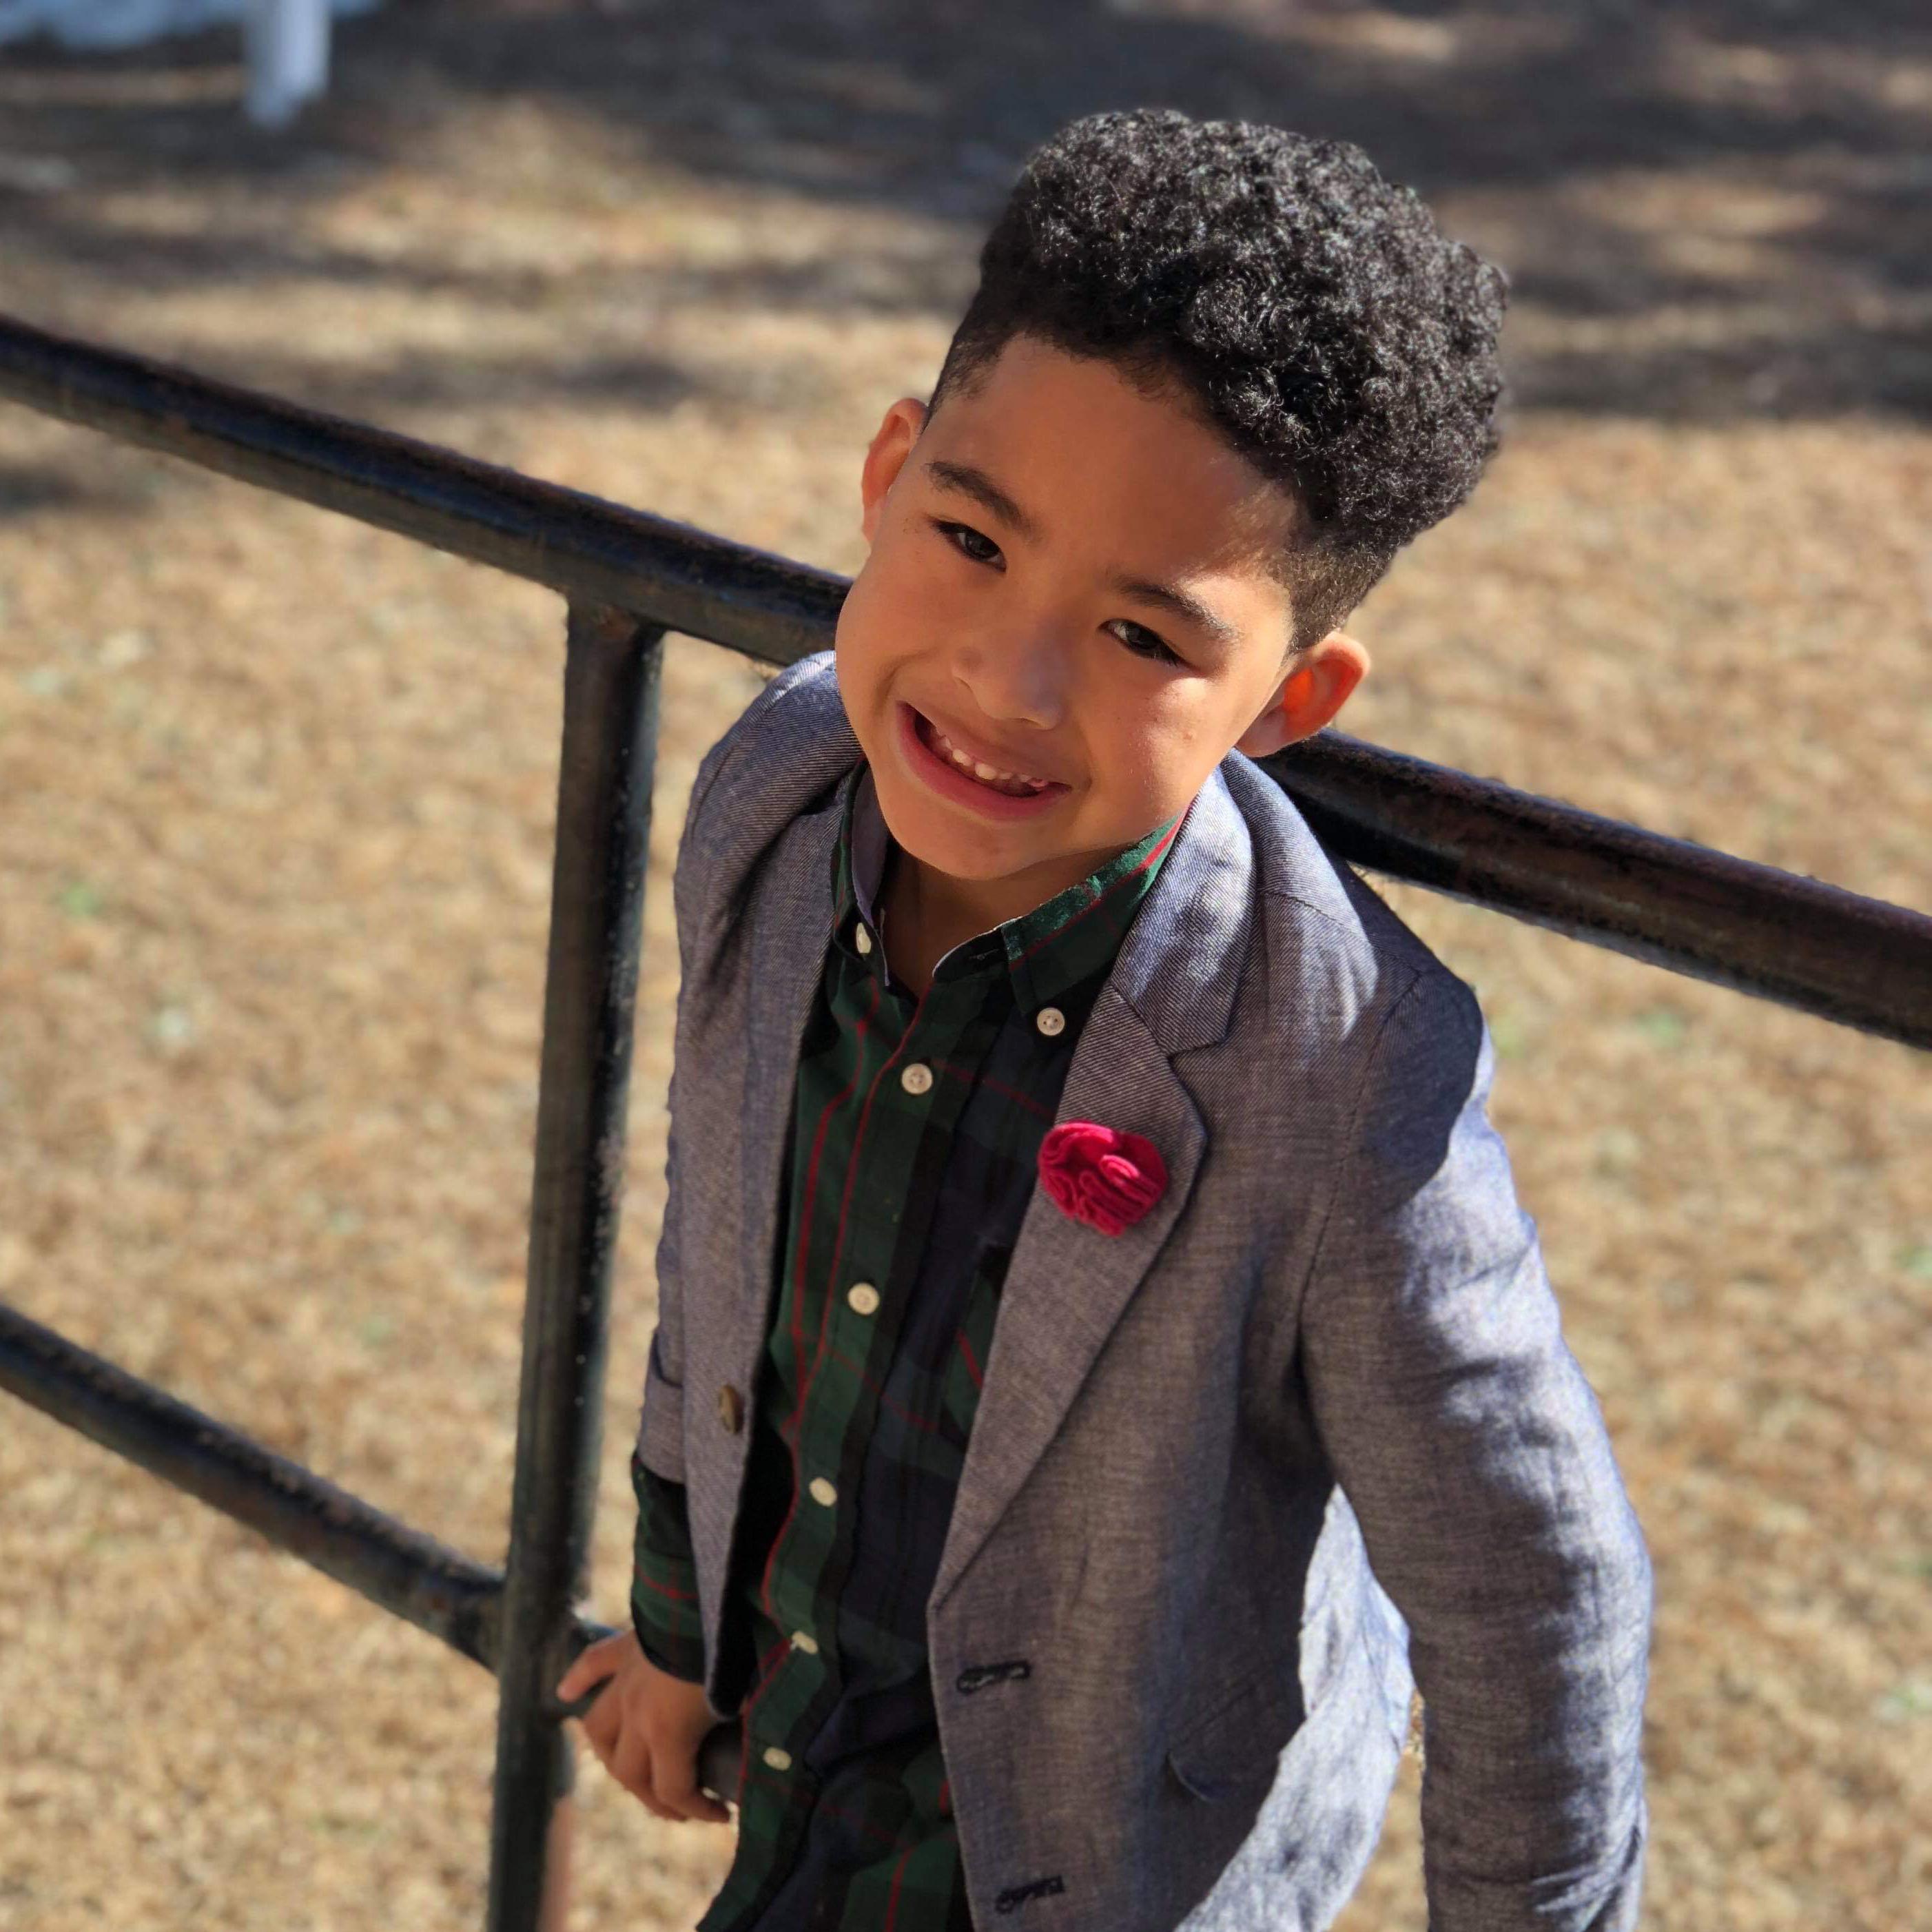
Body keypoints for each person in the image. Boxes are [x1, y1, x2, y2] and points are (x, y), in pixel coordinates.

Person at [555, 106, 1651, 1932]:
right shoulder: (777, 791)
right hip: (805, 1777)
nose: (1011, 679)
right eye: (970, 537)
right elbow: (721, 1240)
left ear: (1287, 699)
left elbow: (1534, 1596)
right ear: (887, 472)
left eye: (1145, 638)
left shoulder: (1338, 1071)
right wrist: (682, 1632)